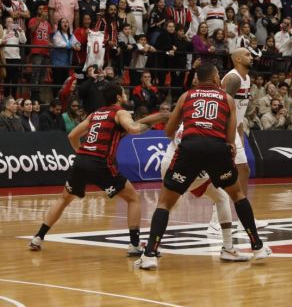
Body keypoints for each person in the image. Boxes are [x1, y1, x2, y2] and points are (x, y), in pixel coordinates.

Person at [136, 64, 270, 269]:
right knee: (237, 195)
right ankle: (257, 247)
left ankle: (149, 255)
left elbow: (168, 131)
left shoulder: (186, 96)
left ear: (198, 79)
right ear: (216, 78)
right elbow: (230, 136)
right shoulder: (227, 99)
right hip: (216, 149)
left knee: (164, 203)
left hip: (189, 149)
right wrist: (226, 147)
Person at [28, 82, 166, 253]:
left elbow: (72, 136)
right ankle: (134, 244)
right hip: (100, 163)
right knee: (133, 198)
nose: (126, 95)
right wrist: (153, 122)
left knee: (64, 199)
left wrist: (83, 153)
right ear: (118, 97)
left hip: (82, 160)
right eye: (123, 93)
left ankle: (38, 237)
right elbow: (133, 129)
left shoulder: (96, 113)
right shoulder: (120, 112)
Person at [209, 48, 269, 233]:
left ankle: (243, 218)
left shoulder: (247, 78)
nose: (251, 57)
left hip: (234, 129)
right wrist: (226, 138)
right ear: (237, 59)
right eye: (247, 55)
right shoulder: (233, 78)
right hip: (222, 129)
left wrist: (240, 136)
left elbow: (239, 112)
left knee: (243, 170)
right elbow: (221, 108)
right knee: (226, 172)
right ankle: (215, 219)